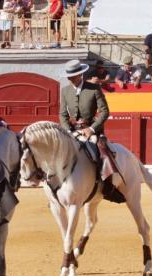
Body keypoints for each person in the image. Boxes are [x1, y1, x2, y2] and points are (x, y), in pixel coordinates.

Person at [59, 60, 121, 200]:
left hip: (92, 131)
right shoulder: (65, 91)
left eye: (72, 75)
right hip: (72, 131)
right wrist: (68, 131)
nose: (69, 78)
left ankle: (106, 185)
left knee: (103, 152)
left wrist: (92, 129)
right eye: (68, 75)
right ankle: (57, 188)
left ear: (80, 74)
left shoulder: (94, 88)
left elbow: (104, 112)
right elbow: (63, 114)